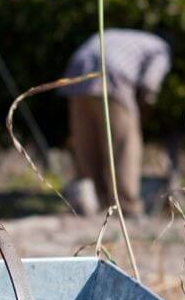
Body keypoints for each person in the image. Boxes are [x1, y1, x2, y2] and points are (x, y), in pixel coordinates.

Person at [59, 29, 170, 216]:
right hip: (112, 77)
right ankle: (126, 205)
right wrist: (141, 109)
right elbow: (150, 84)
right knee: (124, 146)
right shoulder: (161, 48)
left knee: (86, 145)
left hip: (78, 73)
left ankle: (87, 203)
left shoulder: (122, 36)